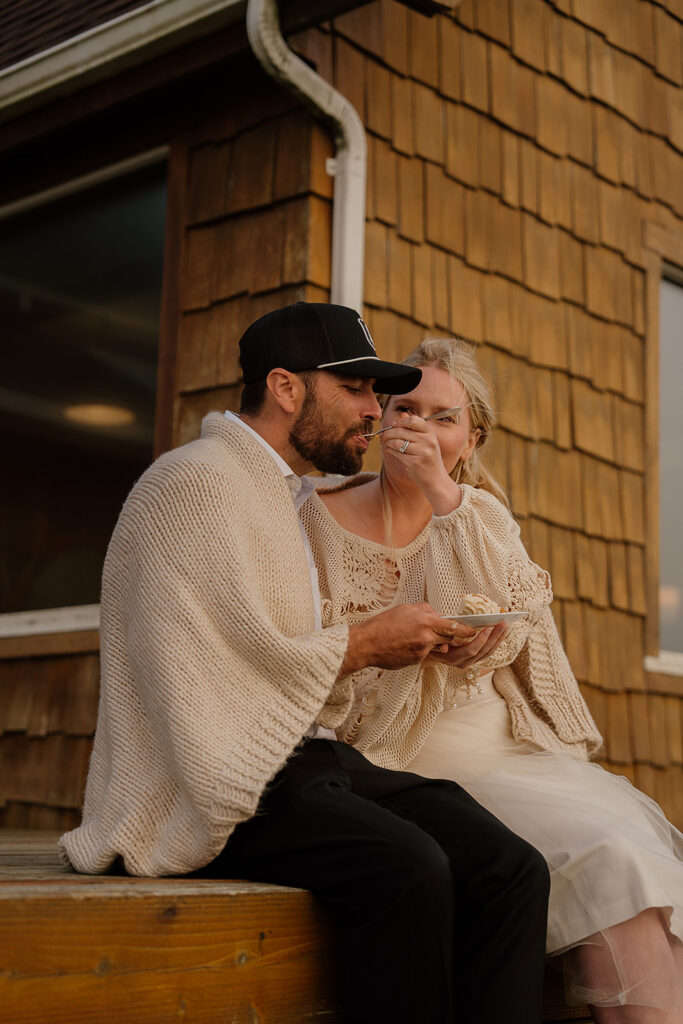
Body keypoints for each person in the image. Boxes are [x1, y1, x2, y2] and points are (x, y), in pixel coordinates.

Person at [58, 304, 550, 1024]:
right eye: (354, 390)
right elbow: (201, 672)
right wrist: (365, 643)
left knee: (511, 865)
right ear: (286, 388)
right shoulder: (193, 483)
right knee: (410, 867)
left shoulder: (279, 491)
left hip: (304, 754)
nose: (372, 411)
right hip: (214, 772)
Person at [300, 336, 683, 1024]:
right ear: (379, 419)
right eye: (404, 407)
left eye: (442, 416)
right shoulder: (314, 518)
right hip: (385, 757)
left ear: (469, 438)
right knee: (604, 858)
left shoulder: (476, 513)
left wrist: (441, 495)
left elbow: (519, 611)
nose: (417, 425)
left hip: (499, 747)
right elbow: (302, 654)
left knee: (625, 858)